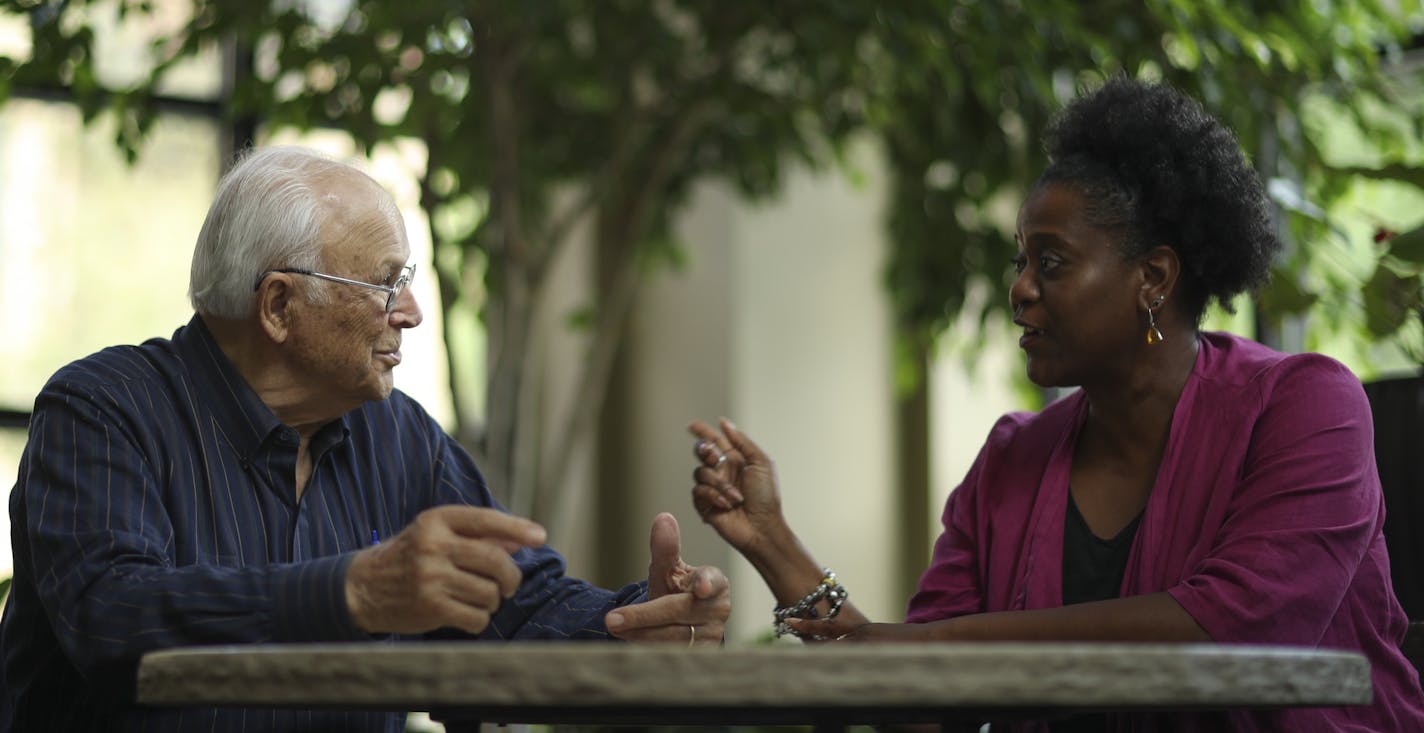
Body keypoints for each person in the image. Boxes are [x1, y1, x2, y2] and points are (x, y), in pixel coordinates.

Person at [688, 77, 1424, 731]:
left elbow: (1232, 630)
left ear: (1154, 278)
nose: (1020, 288)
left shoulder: (1304, 405)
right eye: (1021, 261)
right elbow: (914, 687)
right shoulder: (1013, 458)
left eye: (1052, 260)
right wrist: (773, 543)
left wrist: (934, 646)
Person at [0, 146, 730, 732]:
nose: (410, 312)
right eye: (386, 284)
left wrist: (633, 626)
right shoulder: (104, 406)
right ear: (280, 304)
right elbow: (112, 612)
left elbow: (517, 607)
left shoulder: (400, 435)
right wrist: (352, 590)